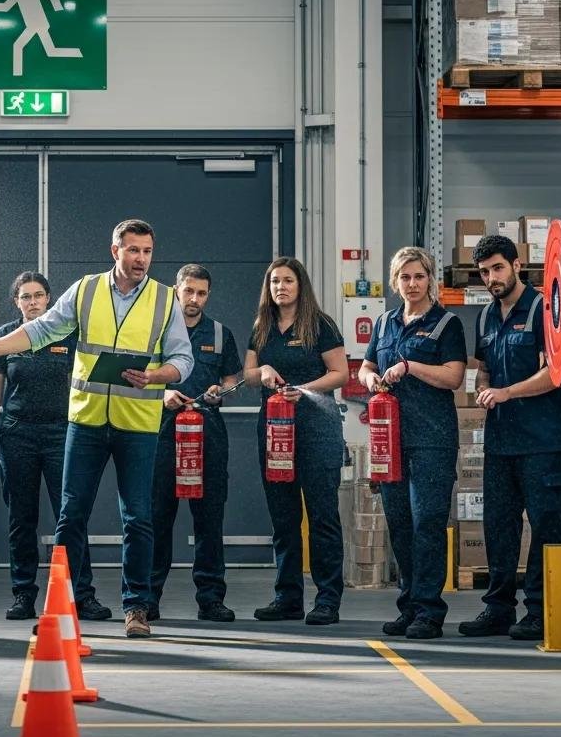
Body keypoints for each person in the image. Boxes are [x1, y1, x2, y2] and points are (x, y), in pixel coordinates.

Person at [0, 218, 193, 638]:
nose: (140, 259)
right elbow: (43, 330)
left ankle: (136, 607)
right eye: (132, 250)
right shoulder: (86, 290)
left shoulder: (164, 299)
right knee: (71, 514)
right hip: (84, 422)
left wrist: (158, 377)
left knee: (137, 516)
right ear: (114, 250)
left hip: (137, 423)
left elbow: (183, 359)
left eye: (147, 251)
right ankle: (59, 605)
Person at [458, 234, 561, 642]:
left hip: (542, 439)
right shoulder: (486, 316)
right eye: (485, 271)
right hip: (501, 441)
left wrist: (506, 392)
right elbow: (485, 367)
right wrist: (484, 384)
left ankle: (542, 610)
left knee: (545, 523)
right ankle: (499, 608)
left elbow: (555, 374)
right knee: (499, 526)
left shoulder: (545, 308)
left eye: (498, 268)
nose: (492, 277)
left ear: (517, 264)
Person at [359, 246, 466, 640]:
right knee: (400, 524)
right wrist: (371, 379)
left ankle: (429, 611)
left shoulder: (446, 324)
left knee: (427, 524)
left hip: (432, 440)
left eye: (419, 276)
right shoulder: (385, 322)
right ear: (395, 281)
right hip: (391, 442)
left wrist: (410, 367)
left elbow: (454, 377)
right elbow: (368, 365)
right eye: (405, 277)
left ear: (430, 279)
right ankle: (409, 605)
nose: (412, 283)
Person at [243, 257, 349, 626]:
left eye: (288, 280)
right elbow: (249, 375)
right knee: (284, 518)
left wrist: (301, 390)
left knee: (322, 517)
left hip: (317, 431)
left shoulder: (320, 325)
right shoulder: (262, 327)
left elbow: (340, 374)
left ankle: (327, 600)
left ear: (300, 285)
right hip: (274, 433)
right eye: (274, 281)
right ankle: (287, 597)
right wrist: (264, 371)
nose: (280, 287)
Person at [0, 271, 91, 620]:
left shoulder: (69, 333)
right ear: (17, 301)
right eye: (25, 296)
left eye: (39, 295)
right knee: (21, 519)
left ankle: (82, 594)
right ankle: (23, 594)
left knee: (70, 517)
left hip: (62, 434)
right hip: (17, 435)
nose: (33, 302)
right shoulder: (5, 337)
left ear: (49, 299)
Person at [149, 264, 242, 623]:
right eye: (188, 291)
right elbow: (138, 377)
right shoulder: (156, 331)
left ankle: (211, 599)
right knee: (158, 517)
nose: (194, 299)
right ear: (176, 290)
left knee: (209, 519)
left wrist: (222, 390)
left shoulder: (220, 334)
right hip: (162, 431)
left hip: (208, 431)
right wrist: (164, 393)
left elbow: (232, 378)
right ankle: (148, 597)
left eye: (201, 293)